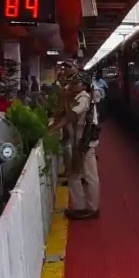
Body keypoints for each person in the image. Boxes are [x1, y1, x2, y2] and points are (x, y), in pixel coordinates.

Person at [49, 73, 100, 220]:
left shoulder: (83, 98)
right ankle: (83, 207)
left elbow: (69, 116)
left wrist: (50, 130)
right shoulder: (78, 98)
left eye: (75, 83)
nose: (71, 85)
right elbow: (64, 112)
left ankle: (91, 208)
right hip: (80, 141)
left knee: (87, 175)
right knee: (76, 174)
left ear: (83, 86)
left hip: (84, 143)